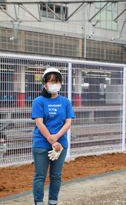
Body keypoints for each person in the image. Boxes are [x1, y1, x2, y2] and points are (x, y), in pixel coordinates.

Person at [31, 68, 75, 205]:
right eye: (51, 81)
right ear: (44, 83)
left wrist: (56, 139)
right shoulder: (39, 101)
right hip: (41, 145)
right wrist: (51, 140)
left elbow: (68, 122)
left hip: (60, 146)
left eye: (57, 81)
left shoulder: (65, 102)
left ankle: (53, 201)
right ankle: (39, 202)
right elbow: (39, 123)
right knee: (40, 176)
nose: (54, 84)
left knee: (56, 176)